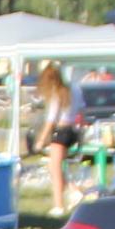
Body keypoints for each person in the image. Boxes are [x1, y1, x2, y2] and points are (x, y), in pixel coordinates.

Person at [38, 62, 78, 217]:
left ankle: (59, 205)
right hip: (71, 129)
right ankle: (73, 190)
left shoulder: (56, 93)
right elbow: (81, 107)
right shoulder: (72, 90)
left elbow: (51, 119)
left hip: (60, 131)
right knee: (59, 167)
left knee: (53, 168)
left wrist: (42, 139)